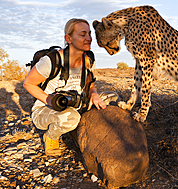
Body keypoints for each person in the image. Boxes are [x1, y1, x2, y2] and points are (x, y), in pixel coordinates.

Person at [23, 19, 119, 156]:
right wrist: (50, 100)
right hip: (47, 107)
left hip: (76, 102)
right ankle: (51, 137)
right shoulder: (52, 61)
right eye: (83, 34)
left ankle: (84, 128)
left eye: (90, 34)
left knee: (112, 97)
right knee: (71, 118)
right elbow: (28, 83)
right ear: (68, 38)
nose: (89, 38)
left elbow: (90, 82)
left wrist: (93, 93)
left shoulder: (89, 58)